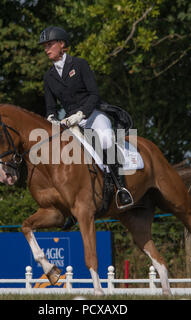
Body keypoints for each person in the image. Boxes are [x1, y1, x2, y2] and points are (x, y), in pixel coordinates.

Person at [39, 26, 133, 214]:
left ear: (62, 44)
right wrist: (51, 118)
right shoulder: (48, 77)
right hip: (68, 121)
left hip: (92, 114)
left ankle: (121, 188)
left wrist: (81, 114)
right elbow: (50, 107)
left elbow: (93, 94)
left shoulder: (79, 64)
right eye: (45, 46)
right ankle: (68, 203)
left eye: (50, 44)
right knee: (62, 154)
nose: (46, 49)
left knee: (105, 139)